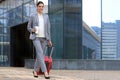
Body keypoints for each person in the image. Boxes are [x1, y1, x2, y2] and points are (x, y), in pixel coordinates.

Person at [27, 1, 52, 79]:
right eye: (39, 6)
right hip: (36, 38)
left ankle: (35, 70)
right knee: (40, 53)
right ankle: (45, 72)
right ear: (37, 7)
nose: (41, 8)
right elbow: (28, 27)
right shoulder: (33, 16)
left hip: (44, 38)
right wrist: (32, 30)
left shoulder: (46, 16)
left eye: (42, 6)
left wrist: (49, 40)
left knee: (40, 55)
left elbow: (48, 29)